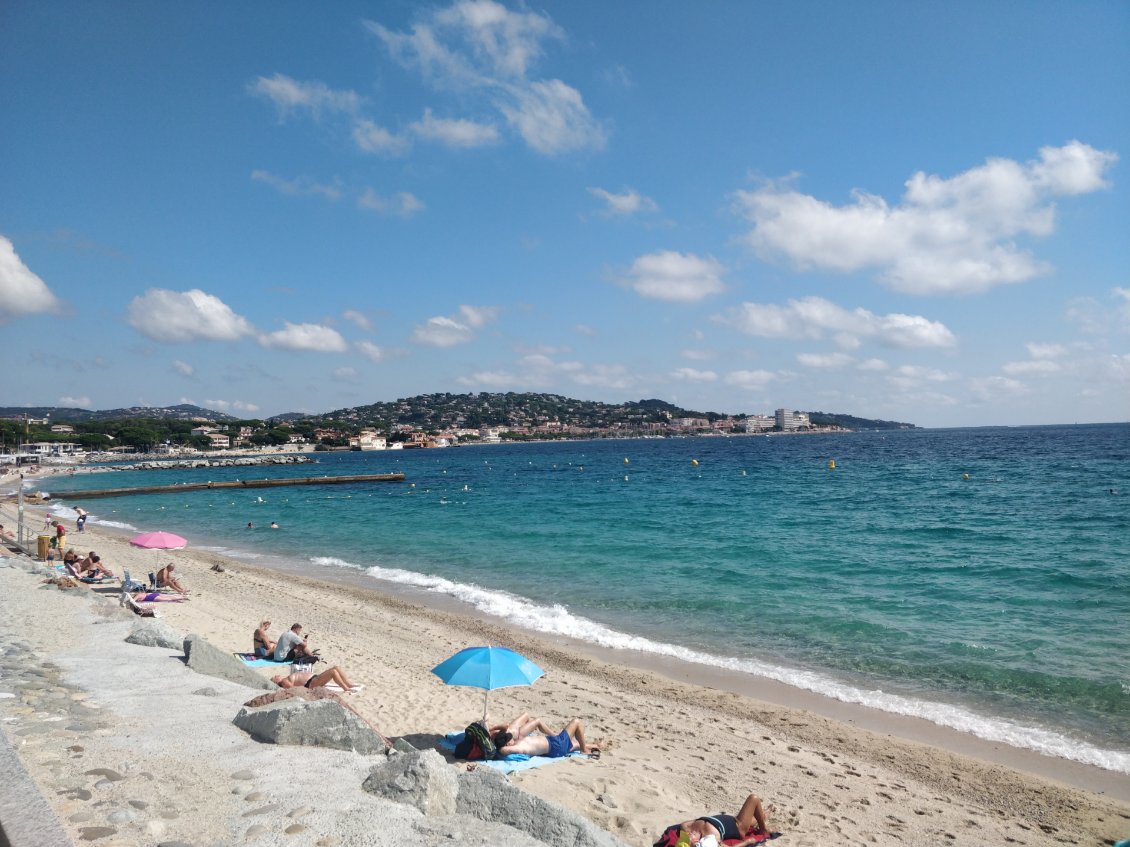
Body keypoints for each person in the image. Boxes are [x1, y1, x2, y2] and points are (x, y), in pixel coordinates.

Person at [668, 794, 771, 847]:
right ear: (696, 843)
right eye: (689, 837)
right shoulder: (709, 841)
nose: (689, 834)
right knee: (754, 798)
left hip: (732, 819)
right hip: (738, 826)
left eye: (687, 835)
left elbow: (683, 825)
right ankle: (763, 830)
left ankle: (767, 812)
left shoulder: (687, 828)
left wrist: (688, 833)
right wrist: (748, 841)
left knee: (758, 816)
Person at [490, 715, 607, 759]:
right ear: (506, 744)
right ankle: (584, 750)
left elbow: (505, 727)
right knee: (576, 722)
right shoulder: (512, 748)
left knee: (574, 743)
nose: (511, 738)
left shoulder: (514, 743)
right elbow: (503, 750)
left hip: (553, 749)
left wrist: (492, 734)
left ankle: (597, 746)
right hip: (556, 745)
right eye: (509, 739)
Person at [271, 666, 358, 691]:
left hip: (314, 678)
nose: (277, 675)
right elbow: (293, 688)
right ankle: (345, 688)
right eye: (275, 677)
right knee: (333, 672)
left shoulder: (285, 679)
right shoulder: (284, 682)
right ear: (276, 681)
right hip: (311, 683)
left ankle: (348, 683)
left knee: (336, 668)